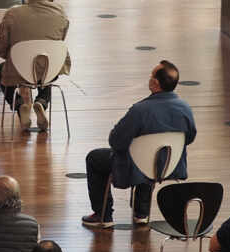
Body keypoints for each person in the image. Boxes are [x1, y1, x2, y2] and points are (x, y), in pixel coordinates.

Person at [82, 60, 195, 229]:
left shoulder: (140, 110)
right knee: (149, 156)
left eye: (151, 75)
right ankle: (141, 213)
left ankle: (103, 214)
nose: (149, 78)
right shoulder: (185, 108)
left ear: (155, 83)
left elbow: (116, 142)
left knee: (95, 158)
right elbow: (190, 137)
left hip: (136, 166)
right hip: (168, 165)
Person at [0, 0, 72, 130]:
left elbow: (1, 49)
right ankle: (41, 102)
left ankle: (20, 106)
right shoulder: (60, 12)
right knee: (47, 64)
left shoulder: (12, 14)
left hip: (19, 68)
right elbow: (59, 40)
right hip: (50, 66)